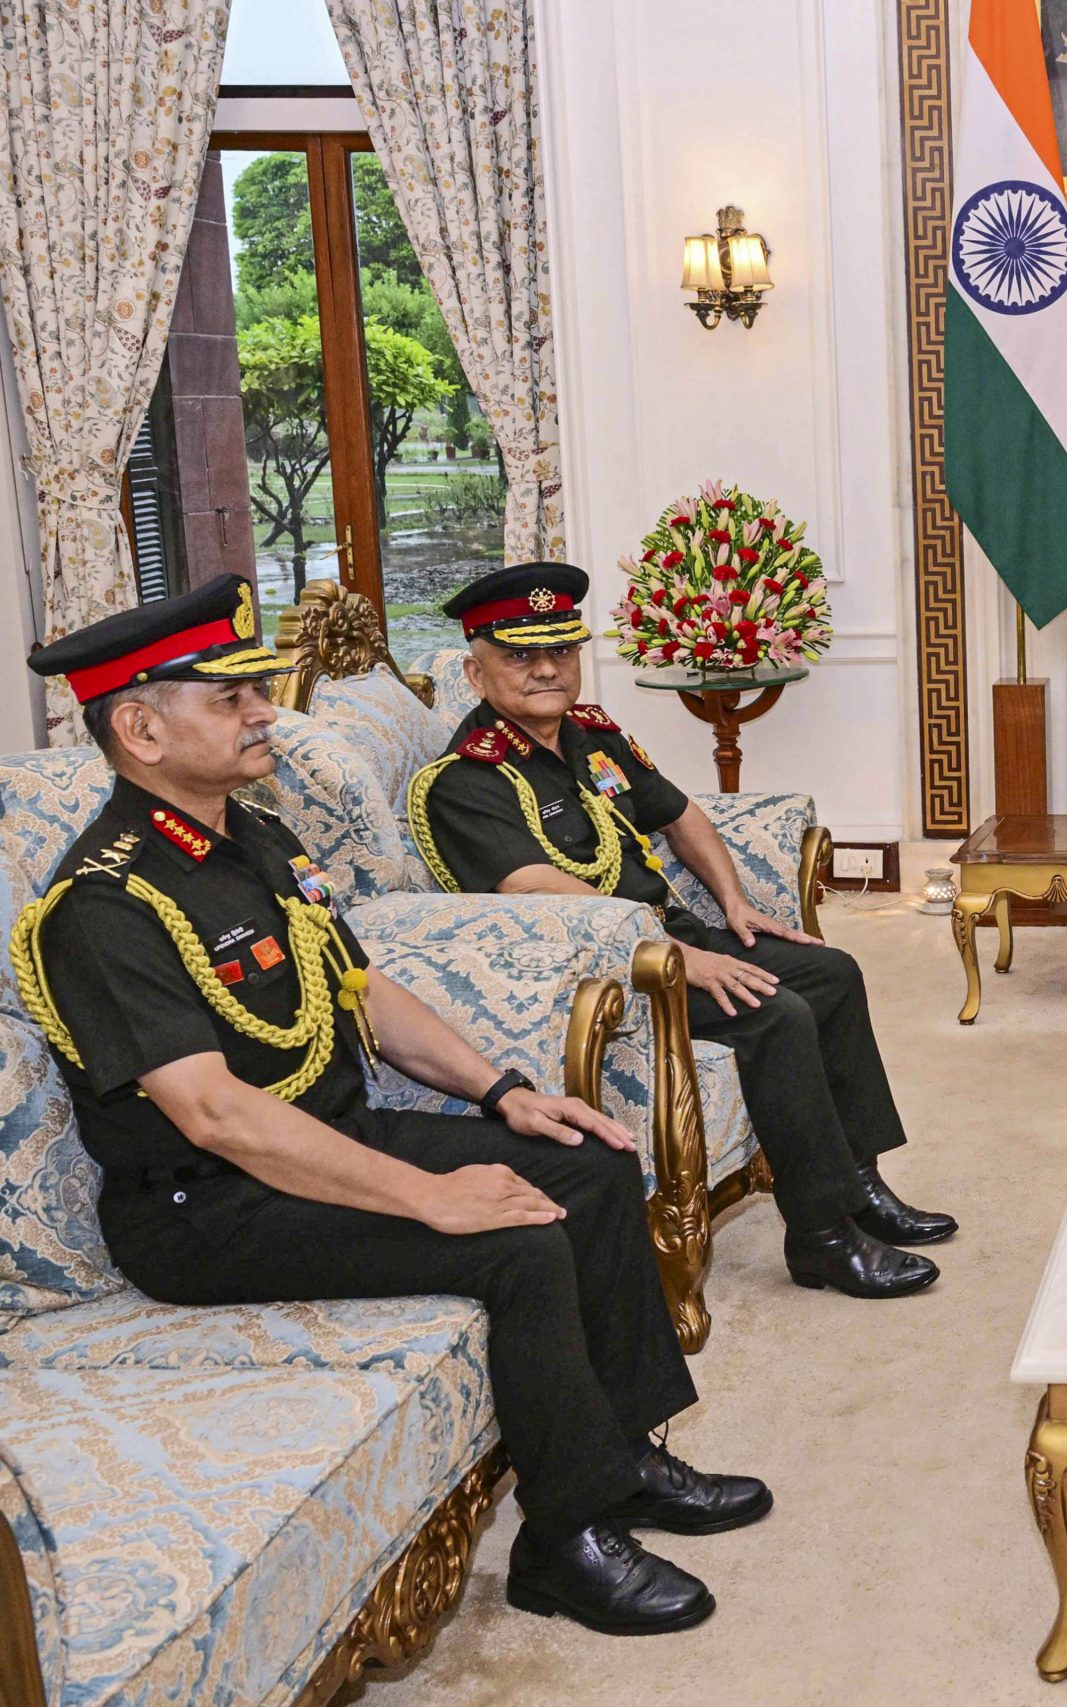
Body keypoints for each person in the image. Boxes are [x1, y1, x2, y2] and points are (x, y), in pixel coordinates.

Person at [13, 576, 770, 1636]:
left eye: (256, 692)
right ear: (140, 729)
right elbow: (215, 1114)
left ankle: (622, 1456)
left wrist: (506, 1092)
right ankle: (566, 1543)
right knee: (514, 1238)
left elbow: (362, 987)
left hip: (328, 1138)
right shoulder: (105, 904)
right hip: (206, 1208)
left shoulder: (253, 837)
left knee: (590, 1164)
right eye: (231, 699)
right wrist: (430, 1194)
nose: (264, 713)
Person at [407, 564, 952, 1302]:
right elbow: (532, 890)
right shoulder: (465, 781)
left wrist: (735, 904)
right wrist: (676, 957)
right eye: (520, 656)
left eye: (561, 650)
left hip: (673, 935)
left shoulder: (591, 735)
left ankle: (862, 1185)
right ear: (476, 672)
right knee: (773, 1012)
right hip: (598, 974)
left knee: (832, 973)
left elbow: (681, 814)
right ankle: (822, 1236)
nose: (547, 670)